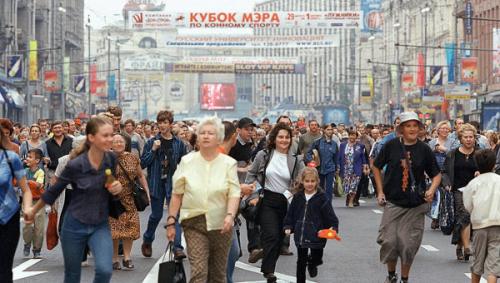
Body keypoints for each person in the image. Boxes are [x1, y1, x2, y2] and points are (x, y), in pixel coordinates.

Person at [26, 116, 123, 283]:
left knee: (105, 271)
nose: (110, 139)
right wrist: (33, 211)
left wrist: (116, 186)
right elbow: (54, 191)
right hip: (74, 225)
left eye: (111, 135)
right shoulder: (75, 164)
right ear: (91, 138)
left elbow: (109, 179)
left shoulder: (111, 159)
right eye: (105, 135)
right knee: (72, 276)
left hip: (100, 224)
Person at [166, 116, 241, 283]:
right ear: (197, 138)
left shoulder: (228, 163)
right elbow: (177, 194)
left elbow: (234, 193)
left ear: (219, 138)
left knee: (217, 275)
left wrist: (230, 215)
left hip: (222, 224)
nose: (206, 136)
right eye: (202, 133)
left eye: (211, 133)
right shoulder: (187, 161)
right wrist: (171, 221)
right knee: (199, 271)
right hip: (194, 223)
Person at [373, 112, 441, 283]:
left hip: (415, 204)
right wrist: (380, 192)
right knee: (389, 242)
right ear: (401, 129)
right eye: (408, 125)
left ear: (419, 129)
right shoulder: (391, 145)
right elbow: (376, 166)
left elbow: (436, 175)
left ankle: (404, 278)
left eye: (415, 126)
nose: (412, 129)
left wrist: (431, 190)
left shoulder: (424, 149)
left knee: (408, 244)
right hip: (394, 202)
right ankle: (391, 275)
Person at [246, 123, 305, 282]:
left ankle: (264, 253)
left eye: (287, 137)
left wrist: (294, 193)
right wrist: (254, 195)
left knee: (279, 239)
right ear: (274, 138)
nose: (284, 140)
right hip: (267, 200)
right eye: (281, 137)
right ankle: (269, 271)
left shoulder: (296, 160)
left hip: (286, 202)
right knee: (271, 235)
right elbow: (251, 176)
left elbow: (303, 180)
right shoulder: (263, 155)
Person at [141, 110, 187, 259]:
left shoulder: (179, 143)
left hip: (173, 183)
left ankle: (177, 247)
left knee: (175, 215)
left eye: (165, 122)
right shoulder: (151, 142)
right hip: (156, 182)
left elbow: (184, 164)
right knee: (156, 215)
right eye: (160, 122)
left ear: (170, 124)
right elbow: (143, 163)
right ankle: (147, 239)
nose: (162, 125)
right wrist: (154, 150)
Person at [284, 167, 339, 283]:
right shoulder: (298, 197)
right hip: (301, 235)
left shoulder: (322, 198)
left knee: (317, 258)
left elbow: (331, 216)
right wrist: (288, 226)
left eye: (312, 181)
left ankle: (313, 263)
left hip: (317, 235)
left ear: (317, 182)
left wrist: (333, 228)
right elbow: (291, 213)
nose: (309, 184)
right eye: (307, 181)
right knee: (300, 261)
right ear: (302, 181)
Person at [110, 133, 150, 271]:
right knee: (114, 231)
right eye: (115, 142)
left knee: (130, 228)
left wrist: (147, 191)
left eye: (121, 141)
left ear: (125, 143)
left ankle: (127, 258)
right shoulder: (106, 158)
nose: (118, 144)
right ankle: (114, 259)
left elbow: (140, 176)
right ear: (110, 143)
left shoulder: (132, 157)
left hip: (129, 198)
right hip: (112, 200)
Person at [0, 125, 33, 283]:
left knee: (4, 267)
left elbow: (26, 190)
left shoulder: (10, 158)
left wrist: (27, 208)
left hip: (7, 218)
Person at [442, 123, 479, 261]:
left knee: (470, 219)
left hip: (476, 190)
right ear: (460, 138)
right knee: (464, 214)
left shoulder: (479, 153)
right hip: (458, 190)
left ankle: (459, 245)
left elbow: (489, 167)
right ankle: (467, 246)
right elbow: (444, 172)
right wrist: (446, 184)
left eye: (471, 137)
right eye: (466, 137)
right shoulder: (452, 154)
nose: (469, 139)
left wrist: (480, 171)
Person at [461, 149, 500, 283]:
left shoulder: (473, 183)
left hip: (479, 226)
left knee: (477, 262)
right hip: (497, 224)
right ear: (494, 164)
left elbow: (467, 205)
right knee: (494, 265)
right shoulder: (499, 180)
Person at [428, 121, 453, 229]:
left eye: (447, 129)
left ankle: (445, 217)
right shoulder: (432, 142)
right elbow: (427, 157)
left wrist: (444, 150)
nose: (445, 130)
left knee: (446, 193)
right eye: (442, 128)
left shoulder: (452, 142)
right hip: (434, 171)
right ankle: (435, 217)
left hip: (447, 171)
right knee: (434, 195)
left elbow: (454, 155)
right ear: (437, 130)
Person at [304, 123, 340, 201]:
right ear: (323, 130)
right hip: (319, 168)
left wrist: (337, 168)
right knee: (320, 188)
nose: (330, 131)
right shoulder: (317, 142)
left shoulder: (334, 144)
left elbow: (336, 157)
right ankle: (319, 205)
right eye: (328, 129)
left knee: (329, 189)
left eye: (331, 130)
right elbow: (308, 153)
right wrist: (312, 161)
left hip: (330, 168)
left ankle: (328, 206)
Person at [22, 149, 46, 259]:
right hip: (27, 200)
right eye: (27, 156)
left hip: (39, 201)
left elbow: (39, 185)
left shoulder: (40, 172)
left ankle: (37, 249)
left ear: (37, 160)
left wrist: (28, 182)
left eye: (30, 157)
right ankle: (27, 243)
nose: (27, 159)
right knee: (28, 224)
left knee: (39, 226)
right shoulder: (24, 171)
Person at [338, 129, 369, 207]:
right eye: (351, 135)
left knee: (354, 186)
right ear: (348, 136)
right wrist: (338, 166)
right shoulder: (342, 145)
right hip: (345, 168)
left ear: (356, 136)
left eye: (354, 135)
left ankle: (351, 201)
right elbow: (339, 156)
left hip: (356, 168)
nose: (352, 137)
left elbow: (363, 157)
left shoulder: (360, 146)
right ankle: (348, 198)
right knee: (347, 186)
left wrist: (365, 167)